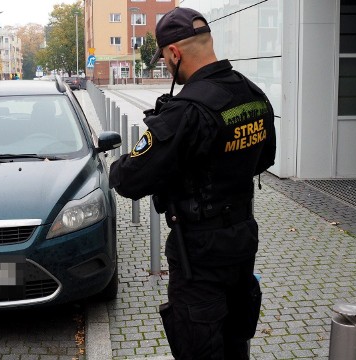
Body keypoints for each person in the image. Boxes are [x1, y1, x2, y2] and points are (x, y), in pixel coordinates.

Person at [109, 7, 276, 360]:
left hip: (199, 255)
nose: (168, 67)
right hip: (243, 241)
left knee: (199, 346)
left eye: (165, 60)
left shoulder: (186, 111)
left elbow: (128, 179)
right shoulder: (252, 93)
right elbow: (264, 158)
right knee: (236, 343)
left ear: (174, 53)